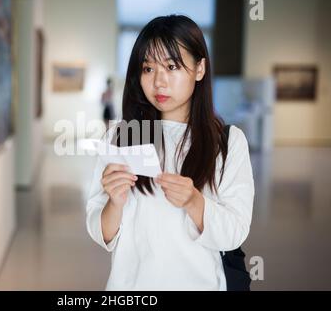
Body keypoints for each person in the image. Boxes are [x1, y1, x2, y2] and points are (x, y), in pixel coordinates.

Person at [86, 15, 254, 290]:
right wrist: (114, 203)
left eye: (171, 66)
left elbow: (234, 232)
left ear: (200, 68)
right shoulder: (120, 137)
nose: (159, 82)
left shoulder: (228, 141)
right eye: (148, 69)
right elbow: (100, 232)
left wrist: (194, 202)